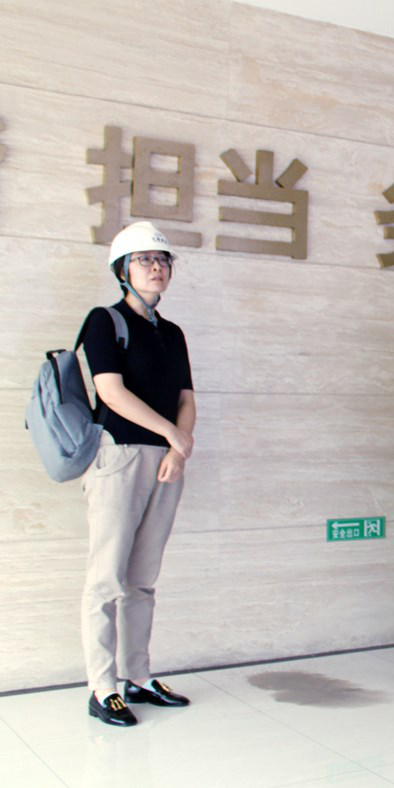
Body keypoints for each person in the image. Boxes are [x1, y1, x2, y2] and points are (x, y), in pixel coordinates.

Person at [80, 221, 196, 727]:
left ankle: (138, 677)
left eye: (163, 259)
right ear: (122, 270)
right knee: (106, 579)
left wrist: (179, 448)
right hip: (119, 456)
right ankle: (102, 686)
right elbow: (110, 391)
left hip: (166, 461)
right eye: (145, 260)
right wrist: (171, 434)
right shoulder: (104, 321)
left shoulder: (172, 333)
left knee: (142, 580)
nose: (156, 267)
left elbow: (186, 398)